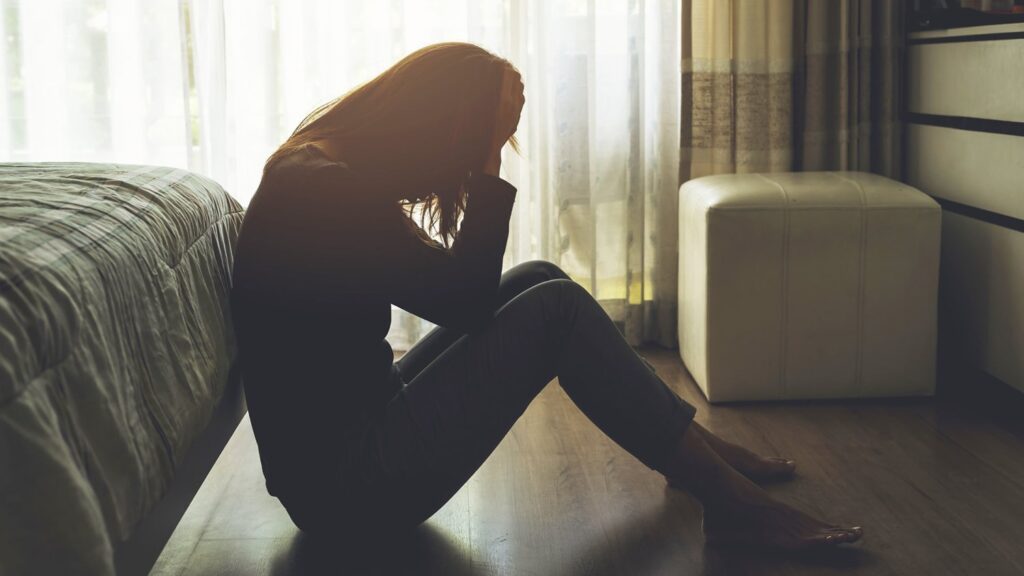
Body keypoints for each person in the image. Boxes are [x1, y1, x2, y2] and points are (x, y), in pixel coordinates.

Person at [230, 42, 863, 551]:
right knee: (553, 311)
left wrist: (485, 135)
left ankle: (690, 451)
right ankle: (732, 504)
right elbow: (467, 301)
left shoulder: (317, 170)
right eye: (482, 141)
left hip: (344, 458)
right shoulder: (326, 191)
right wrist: (485, 167)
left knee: (537, 278)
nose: (478, 161)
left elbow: (454, 293)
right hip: (353, 488)